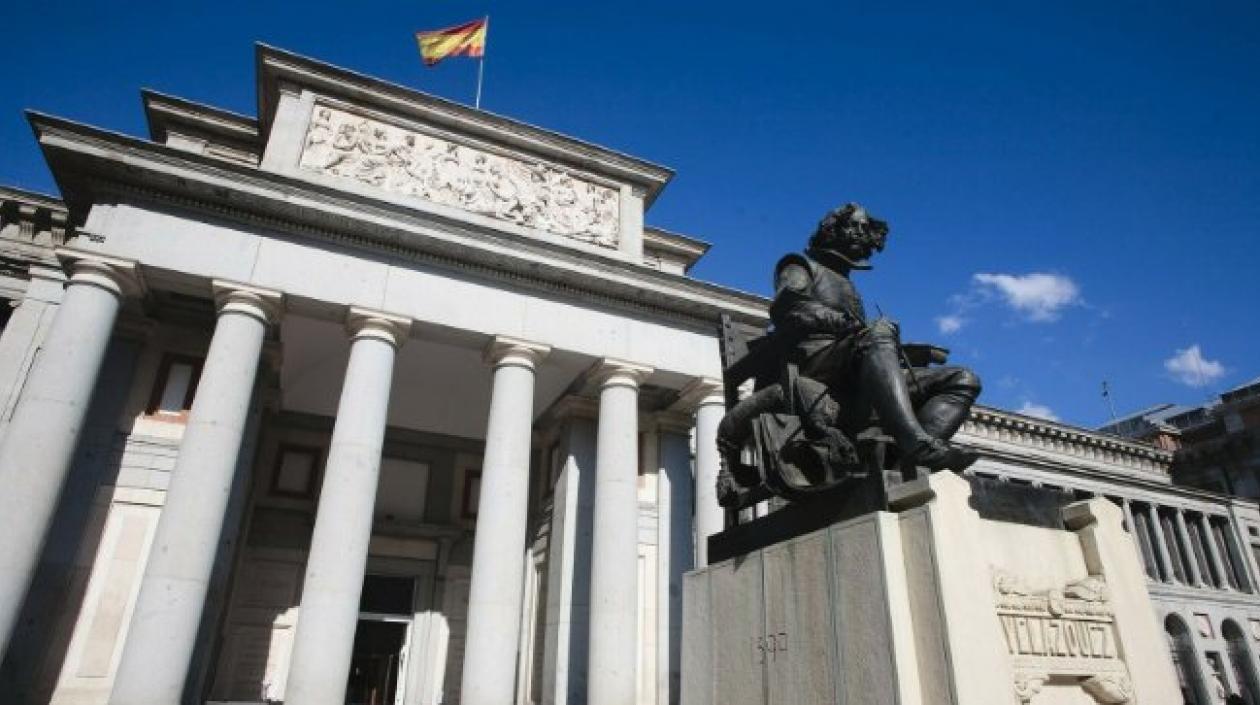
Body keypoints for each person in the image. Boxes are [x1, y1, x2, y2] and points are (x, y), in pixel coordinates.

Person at [717, 203, 982, 507]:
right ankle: (913, 440)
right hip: (817, 365)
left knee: (963, 379)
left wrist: (910, 351)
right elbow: (788, 308)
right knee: (876, 334)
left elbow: (866, 344)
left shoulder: (847, 283)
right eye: (852, 226)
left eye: (864, 228)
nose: (859, 233)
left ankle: (902, 465)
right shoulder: (800, 266)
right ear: (832, 230)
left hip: (853, 371)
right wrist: (848, 324)